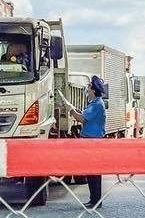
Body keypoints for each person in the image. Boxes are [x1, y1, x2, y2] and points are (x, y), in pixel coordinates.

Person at [61, 76, 106, 209]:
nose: (87, 90)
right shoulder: (95, 103)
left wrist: (70, 109)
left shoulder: (96, 105)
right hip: (91, 141)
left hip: (93, 142)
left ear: (93, 90)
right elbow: (84, 115)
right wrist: (75, 110)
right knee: (92, 173)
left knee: (94, 174)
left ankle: (95, 201)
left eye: (89, 87)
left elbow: (81, 119)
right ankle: (94, 200)